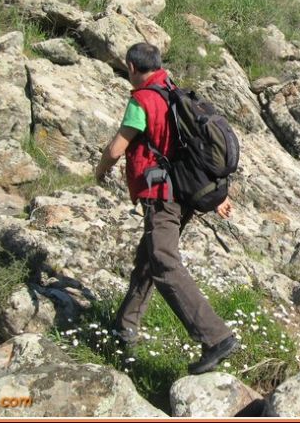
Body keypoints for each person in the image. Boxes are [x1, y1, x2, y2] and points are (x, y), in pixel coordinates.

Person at [95, 42, 238, 375]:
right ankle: (124, 328)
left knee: (164, 262)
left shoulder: (142, 100)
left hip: (163, 195)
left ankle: (215, 337)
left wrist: (99, 172)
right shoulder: (172, 90)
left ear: (131, 66)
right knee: (149, 259)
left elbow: (117, 149)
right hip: (186, 191)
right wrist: (217, 196)